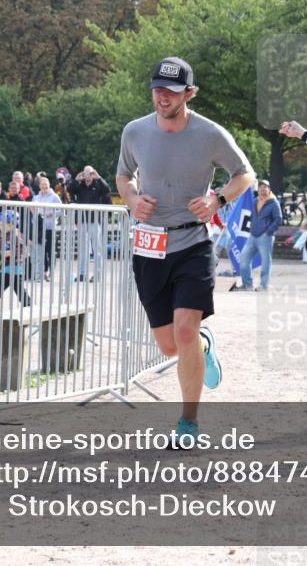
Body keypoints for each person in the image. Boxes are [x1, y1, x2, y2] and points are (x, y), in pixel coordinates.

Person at [116, 56, 255, 446]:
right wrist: (130, 199)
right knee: (169, 345)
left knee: (184, 329)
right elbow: (123, 175)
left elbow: (245, 174)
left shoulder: (210, 133)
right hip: (149, 244)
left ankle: (188, 422)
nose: (162, 97)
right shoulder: (135, 131)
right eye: (158, 89)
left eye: (172, 91)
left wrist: (217, 200)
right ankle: (203, 345)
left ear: (189, 94)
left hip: (193, 240)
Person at [235, 180, 282, 291]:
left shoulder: (274, 202)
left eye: (265, 187)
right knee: (244, 258)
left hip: (266, 236)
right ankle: (247, 285)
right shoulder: (255, 201)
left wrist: (268, 231)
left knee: (266, 261)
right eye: (260, 187)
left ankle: (264, 285)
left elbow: (278, 219)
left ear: (269, 189)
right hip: (252, 236)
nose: (262, 189)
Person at [70, 165, 111, 282]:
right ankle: (82, 273)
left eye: (90, 172)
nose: (88, 175)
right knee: (83, 248)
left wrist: (99, 178)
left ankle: (97, 274)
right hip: (82, 221)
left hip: (95, 220)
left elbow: (107, 189)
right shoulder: (79, 185)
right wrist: (76, 180)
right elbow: (69, 190)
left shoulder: (98, 184)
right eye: (85, 173)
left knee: (96, 249)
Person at [0, 211, 32, 308]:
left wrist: (11, 252)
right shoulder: (3, 235)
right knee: (0, 285)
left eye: (2, 224)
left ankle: (27, 302)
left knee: (17, 287)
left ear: (12, 225)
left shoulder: (14, 235)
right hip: (6, 266)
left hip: (15, 267)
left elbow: (22, 248)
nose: (0, 226)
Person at [32, 176, 62, 279]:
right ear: (39, 186)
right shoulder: (36, 197)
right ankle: (43, 271)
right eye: (42, 184)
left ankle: (51, 272)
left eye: (46, 184)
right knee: (41, 250)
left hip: (50, 227)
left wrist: (51, 213)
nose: (44, 186)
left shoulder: (54, 197)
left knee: (50, 250)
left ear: (49, 185)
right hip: (40, 228)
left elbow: (61, 210)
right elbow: (32, 210)